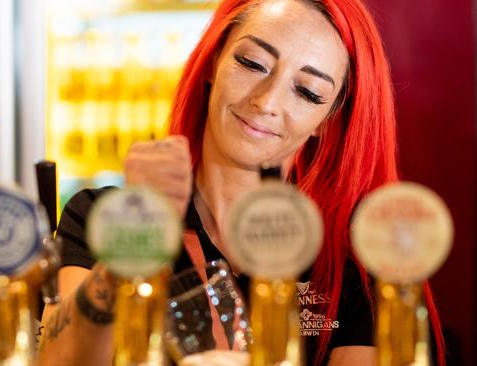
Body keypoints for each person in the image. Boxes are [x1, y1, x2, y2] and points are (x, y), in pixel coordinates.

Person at [38, 0, 446, 365]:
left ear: (328, 120)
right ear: (214, 61)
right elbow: (58, 360)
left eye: (306, 91)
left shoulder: (357, 247)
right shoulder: (98, 215)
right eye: (252, 63)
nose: (267, 102)